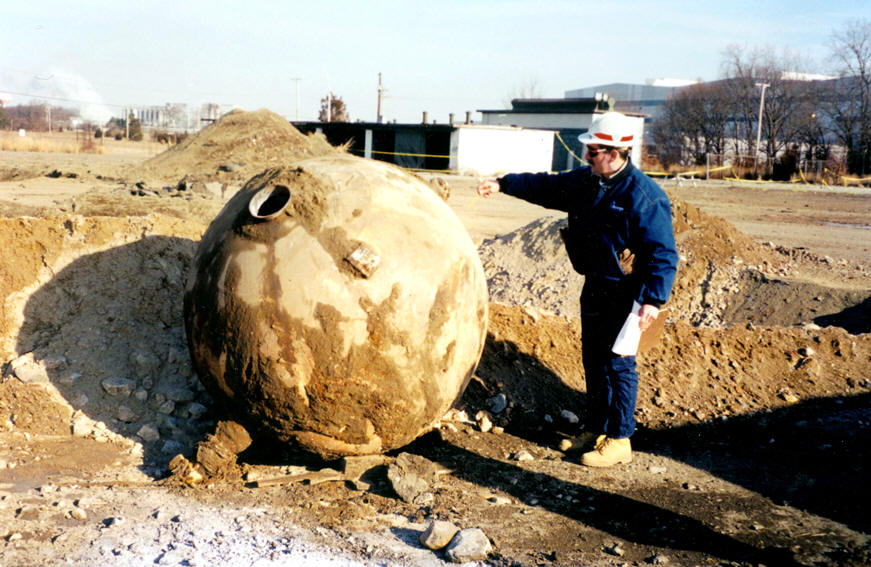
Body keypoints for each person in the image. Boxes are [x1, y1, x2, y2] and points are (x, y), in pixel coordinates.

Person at [477, 111, 678, 467]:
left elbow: (663, 253)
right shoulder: (587, 182)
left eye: (593, 151)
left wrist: (653, 301)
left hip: (628, 294)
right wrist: (504, 184)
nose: (586, 156)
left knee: (618, 364)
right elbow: (546, 186)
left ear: (614, 153)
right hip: (597, 287)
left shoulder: (644, 196)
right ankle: (596, 429)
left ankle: (619, 439)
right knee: (594, 361)